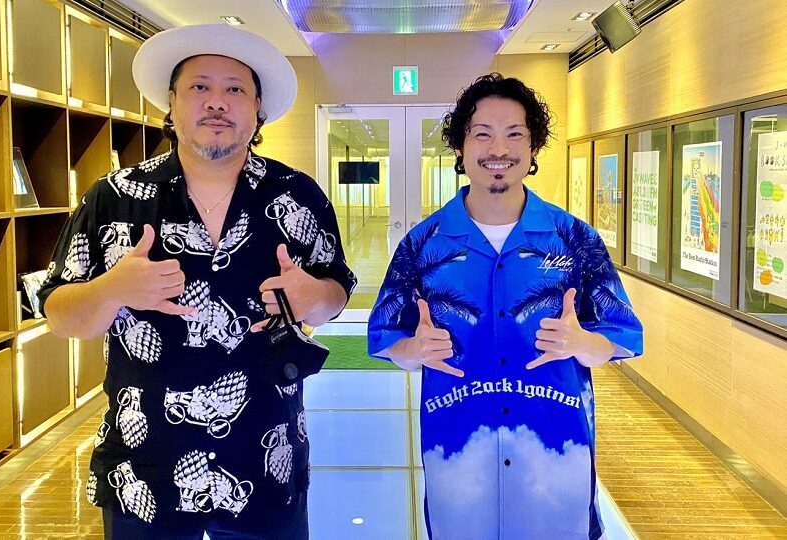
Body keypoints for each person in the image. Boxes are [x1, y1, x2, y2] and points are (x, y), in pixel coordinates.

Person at [39, 24, 356, 539]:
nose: (216, 102)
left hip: (265, 458)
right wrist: (112, 289)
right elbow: (60, 315)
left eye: (235, 89)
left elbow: (336, 292)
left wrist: (314, 297)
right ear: (172, 103)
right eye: (199, 87)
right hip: (145, 467)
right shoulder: (113, 197)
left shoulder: (298, 195)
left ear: (257, 108)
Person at [367, 73, 643, 539]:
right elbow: (386, 336)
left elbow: (623, 336)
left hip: (556, 457)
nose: (499, 149)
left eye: (515, 134)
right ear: (460, 148)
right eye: (483, 134)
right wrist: (413, 349)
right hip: (457, 453)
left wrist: (583, 343)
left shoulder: (574, 239)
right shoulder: (422, 244)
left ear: (533, 148)